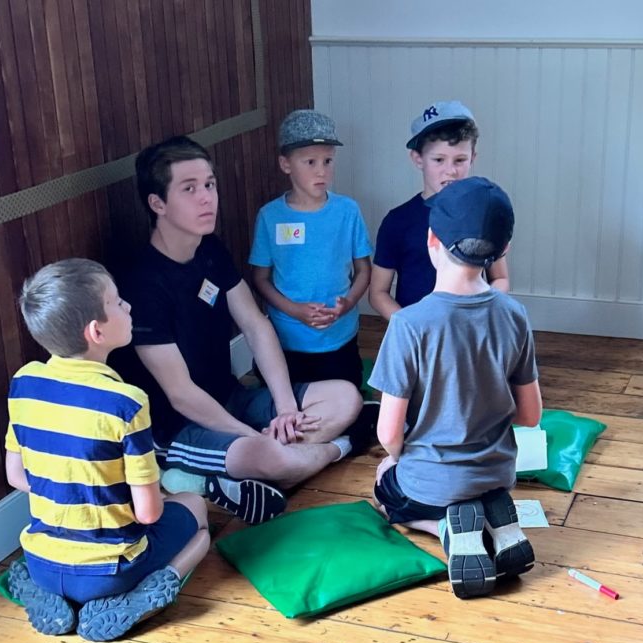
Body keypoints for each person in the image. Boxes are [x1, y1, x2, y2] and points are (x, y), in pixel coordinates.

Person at [115, 135, 362, 522]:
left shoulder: (210, 249)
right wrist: (250, 436)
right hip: (177, 427)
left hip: (231, 398)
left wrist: (285, 407)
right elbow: (181, 396)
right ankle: (339, 447)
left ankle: (237, 474)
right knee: (272, 456)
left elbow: (255, 324)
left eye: (209, 184)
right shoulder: (142, 283)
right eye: (189, 188)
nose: (207, 198)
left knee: (346, 397)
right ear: (157, 203)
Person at [5, 258, 210, 641]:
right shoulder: (126, 402)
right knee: (198, 515)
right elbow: (148, 513)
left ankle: (41, 590)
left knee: (56, 552)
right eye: (117, 302)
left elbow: (16, 475)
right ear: (96, 331)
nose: (127, 306)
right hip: (111, 573)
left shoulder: (24, 383)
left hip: (43, 563)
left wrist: (74, 493)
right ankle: (142, 597)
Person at [369, 177, 542, 599]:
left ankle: (445, 527)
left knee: (383, 484)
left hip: (433, 485)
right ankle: (492, 521)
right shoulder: (514, 314)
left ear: (432, 239)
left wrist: (395, 460)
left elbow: (388, 433)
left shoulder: (408, 324)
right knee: (460, 489)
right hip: (497, 476)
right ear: (503, 250)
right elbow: (530, 415)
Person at [249, 109, 372, 390]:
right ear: (286, 164)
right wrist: (294, 310)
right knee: (289, 403)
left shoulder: (347, 211)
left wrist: (348, 302)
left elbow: (364, 269)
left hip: (339, 336)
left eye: (328, 161)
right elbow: (260, 278)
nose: (321, 171)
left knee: (347, 397)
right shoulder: (270, 216)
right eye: (310, 162)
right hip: (288, 338)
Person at [369, 101, 510, 321]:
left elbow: (500, 278)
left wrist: (481, 310)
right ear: (418, 159)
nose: (450, 171)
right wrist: (410, 328)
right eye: (438, 160)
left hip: (470, 329)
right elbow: (378, 293)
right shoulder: (397, 221)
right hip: (415, 333)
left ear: (472, 158)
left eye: (460, 160)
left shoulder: (483, 214)